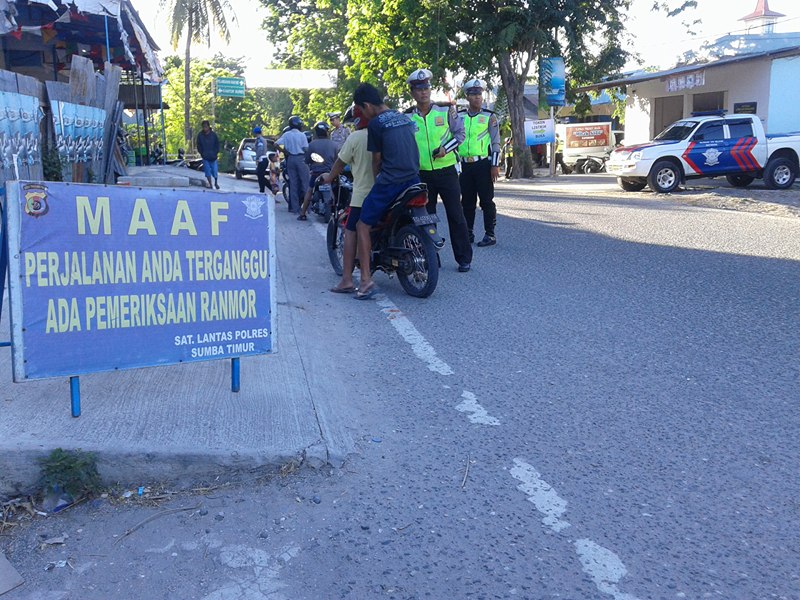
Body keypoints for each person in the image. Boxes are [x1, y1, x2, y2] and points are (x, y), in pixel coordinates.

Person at [352, 82, 420, 299]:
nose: (363, 114)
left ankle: (365, 281)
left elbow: (377, 160)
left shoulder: (376, 124)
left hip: (392, 182)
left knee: (362, 224)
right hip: (415, 179)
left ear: (367, 105)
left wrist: (374, 182)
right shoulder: (404, 117)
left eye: (362, 110)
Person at [405, 68, 473, 272]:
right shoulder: (407, 117)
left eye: (426, 88)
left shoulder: (445, 110)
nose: (423, 92)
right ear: (412, 92)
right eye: (418, 89)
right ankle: (431, 256)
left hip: (446, 171)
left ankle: (464, 258)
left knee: (455, 214)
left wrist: (446, 149)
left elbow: (460, 134)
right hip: (422, 174)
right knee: (425, 216)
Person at [321, 105, 375, 293]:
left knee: (351, 228)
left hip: (363, 193)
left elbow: (339, 163)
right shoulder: (383, 132)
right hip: (389, 191)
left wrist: (328, 177)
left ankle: (347, 280)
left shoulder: (355, 137)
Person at [458, 78, 501, 247]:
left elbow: (496, 142)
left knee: (486, 200)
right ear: (467, 97)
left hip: (483, 164)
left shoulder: (489, 117)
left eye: (479, 94)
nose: (477, 98)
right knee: (467, 202)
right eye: (473, 95)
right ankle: (468, 232)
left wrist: (495, 165)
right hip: (464, 165)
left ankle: (490, 234)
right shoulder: (460, 116)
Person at [298, 121, 337, 221]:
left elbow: (307, 160)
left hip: (316, 174)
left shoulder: (312, 144)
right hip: (330, 174)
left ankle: (302, 213)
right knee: (335, 191)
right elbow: (337, 160)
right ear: (327, 132)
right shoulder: (334, 145)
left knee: (309, 191)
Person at [276, 116, 309, 213]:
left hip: (290, 159)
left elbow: (276, 144)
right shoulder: (302, 135)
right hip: (301, 159)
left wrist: (285, 151)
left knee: (293, 184)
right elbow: (305, 149)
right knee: (305, 183)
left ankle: (295, 208)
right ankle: (307, 208)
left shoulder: (286, 135)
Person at [196, 119, 220, 189]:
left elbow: (217, 144)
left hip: (213, 156)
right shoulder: (200, 135)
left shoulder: (213, 135)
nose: (205, 128)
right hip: (205, 156)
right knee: (207, 171)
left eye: (206, 127)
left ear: (208, 127)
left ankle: (216, 182)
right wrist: (202, 153)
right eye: (203, 127)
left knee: (214, 171)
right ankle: (210, 184)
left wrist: (216, 152)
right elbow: (198, 145)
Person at [253, 126, 270, 194]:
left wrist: (257, 159)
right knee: (260, 175)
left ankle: (270, 188)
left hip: (262, 159)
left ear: (255, 133)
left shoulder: (259, 140)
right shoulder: (262, 139)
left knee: (260, 175)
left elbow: (260, 150)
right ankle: (262, 190)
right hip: (263, 159)